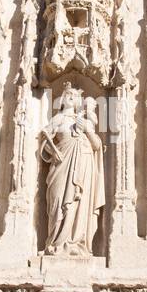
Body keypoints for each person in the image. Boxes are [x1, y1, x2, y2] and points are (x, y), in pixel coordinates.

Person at [40, 84, 104, 256]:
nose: (70, 96)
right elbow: (45, 141)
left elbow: (97, 145)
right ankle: (55, 242)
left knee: (78, 202)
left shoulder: (83, 120)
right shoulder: (58, 118)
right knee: (58, 201)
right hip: (61, 166)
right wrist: (54, 152)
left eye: (74, 95)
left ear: (78, 102)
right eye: (67, 93)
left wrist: (86, 130)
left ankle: (74, 242)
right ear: (61, 99)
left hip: (82, 165)